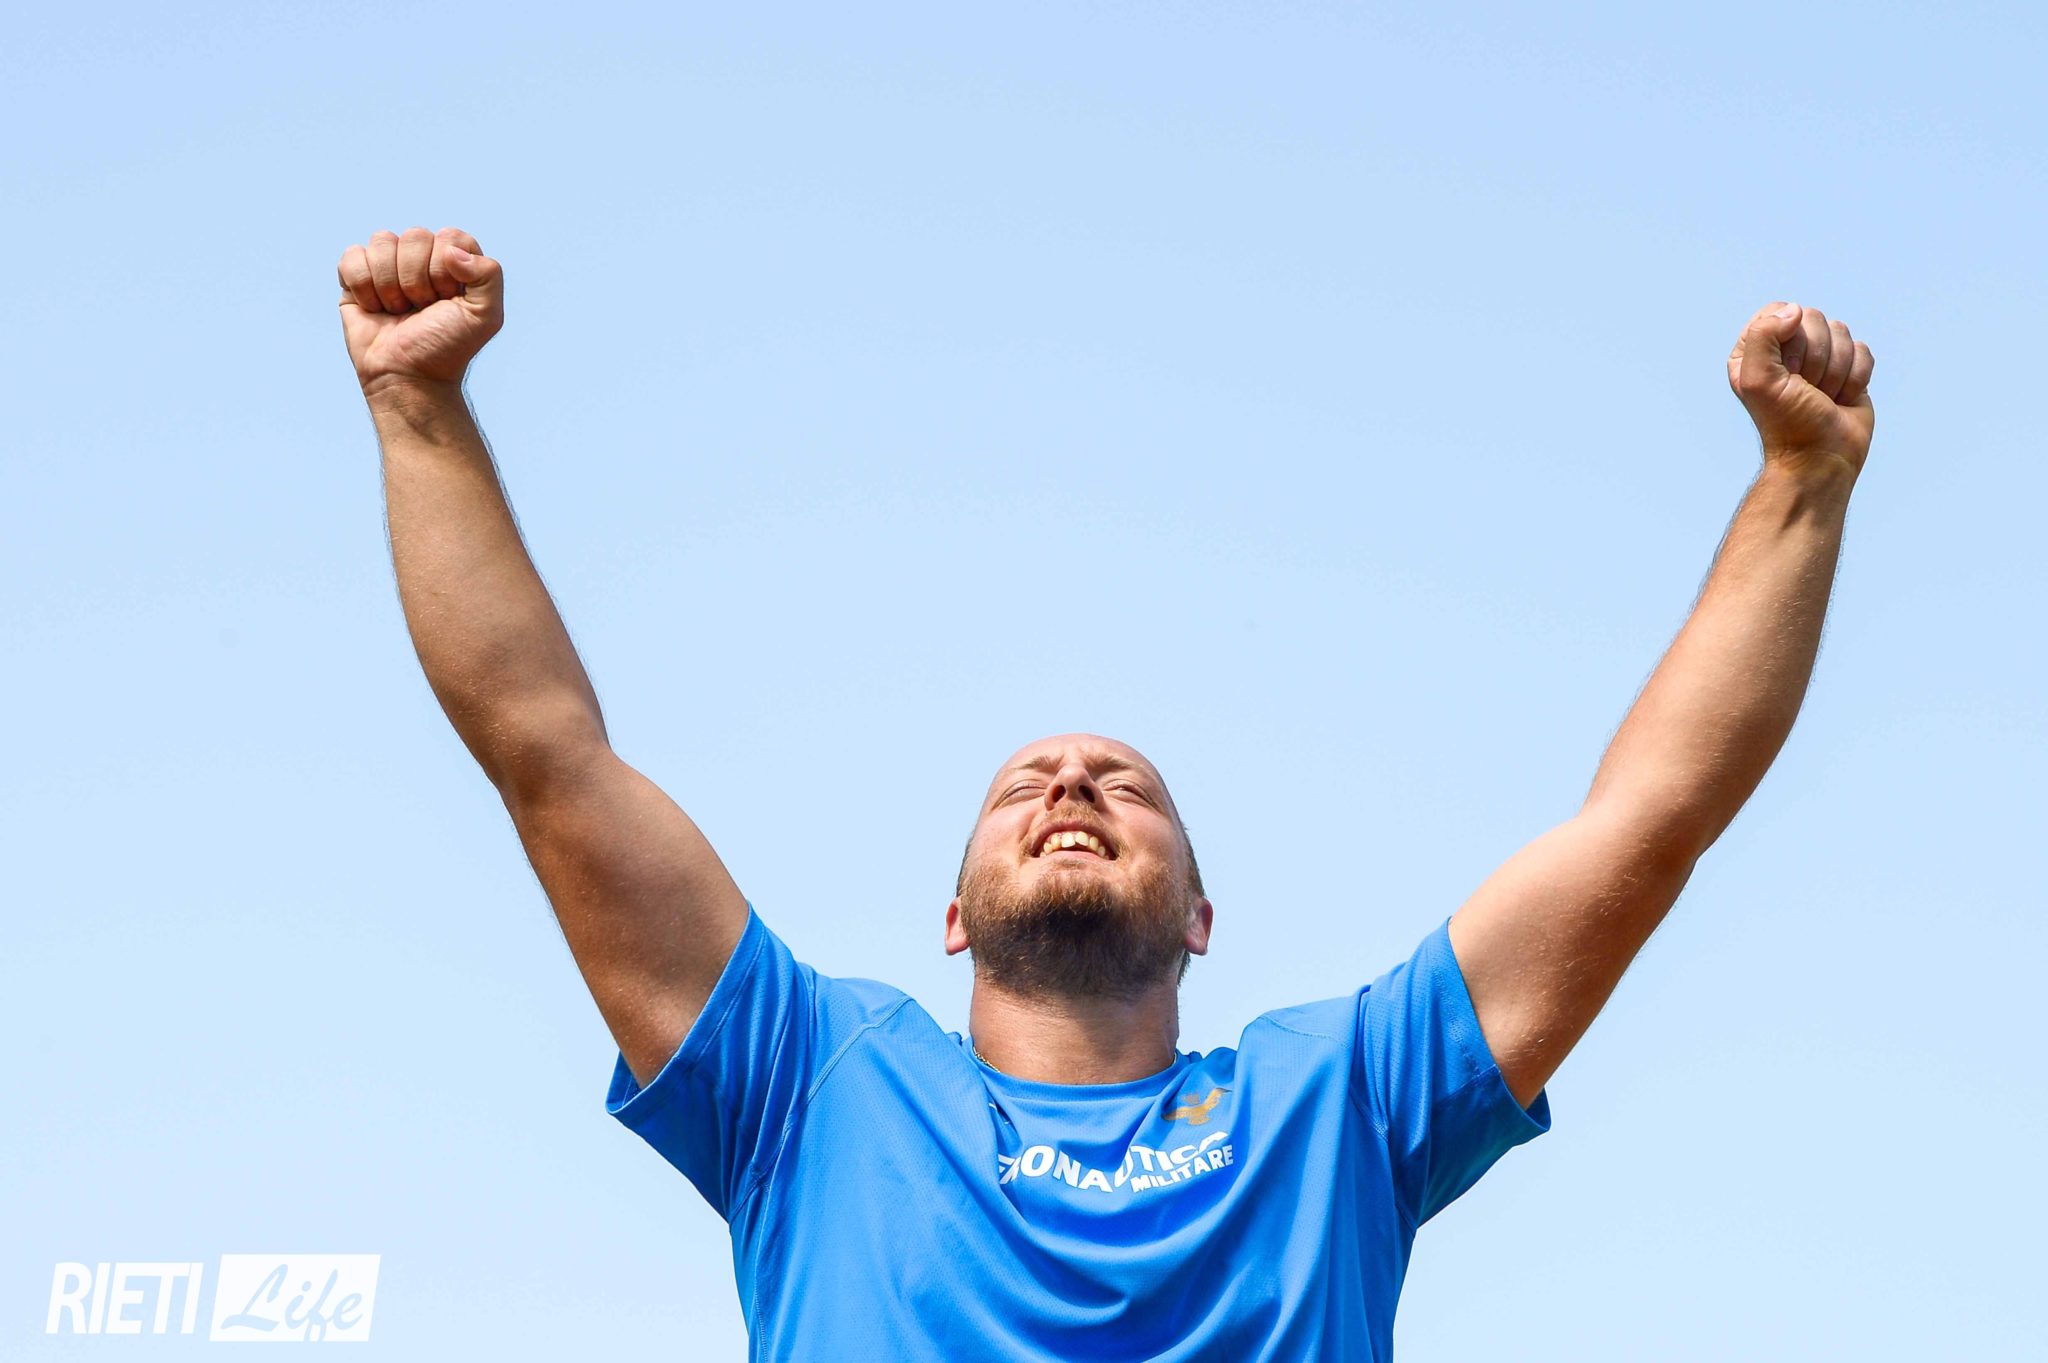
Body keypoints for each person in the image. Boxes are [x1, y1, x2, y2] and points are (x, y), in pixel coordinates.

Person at [337, 226, 1876, 1361]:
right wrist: (417, 406)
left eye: (1125, 786)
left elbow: (1648, 823)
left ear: (1200, 915)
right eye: (1027, 783)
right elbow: (547, 754)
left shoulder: (1336, 1102)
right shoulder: (813, 1084)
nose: (1072, 779)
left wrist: (1801, 483)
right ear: (953, 917)